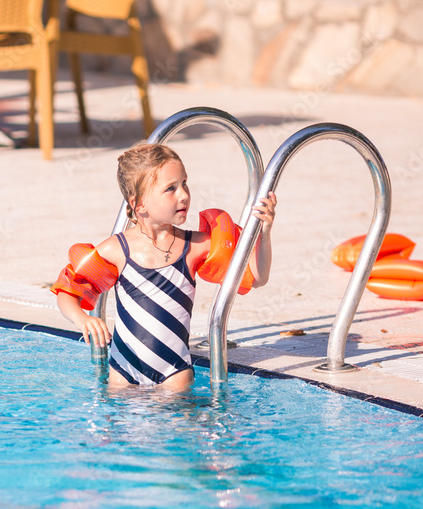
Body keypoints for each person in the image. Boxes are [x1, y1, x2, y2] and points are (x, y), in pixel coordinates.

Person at [52, 142, 276, 389]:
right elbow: (67, 292)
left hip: (174, 374)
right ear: (140, 204)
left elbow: (257, 277)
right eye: (170, 188)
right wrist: (82, 319)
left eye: (184, 183)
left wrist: (264, 234)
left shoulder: (195, 246)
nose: (184, 195)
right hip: (123, 372)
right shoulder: (116, 250)